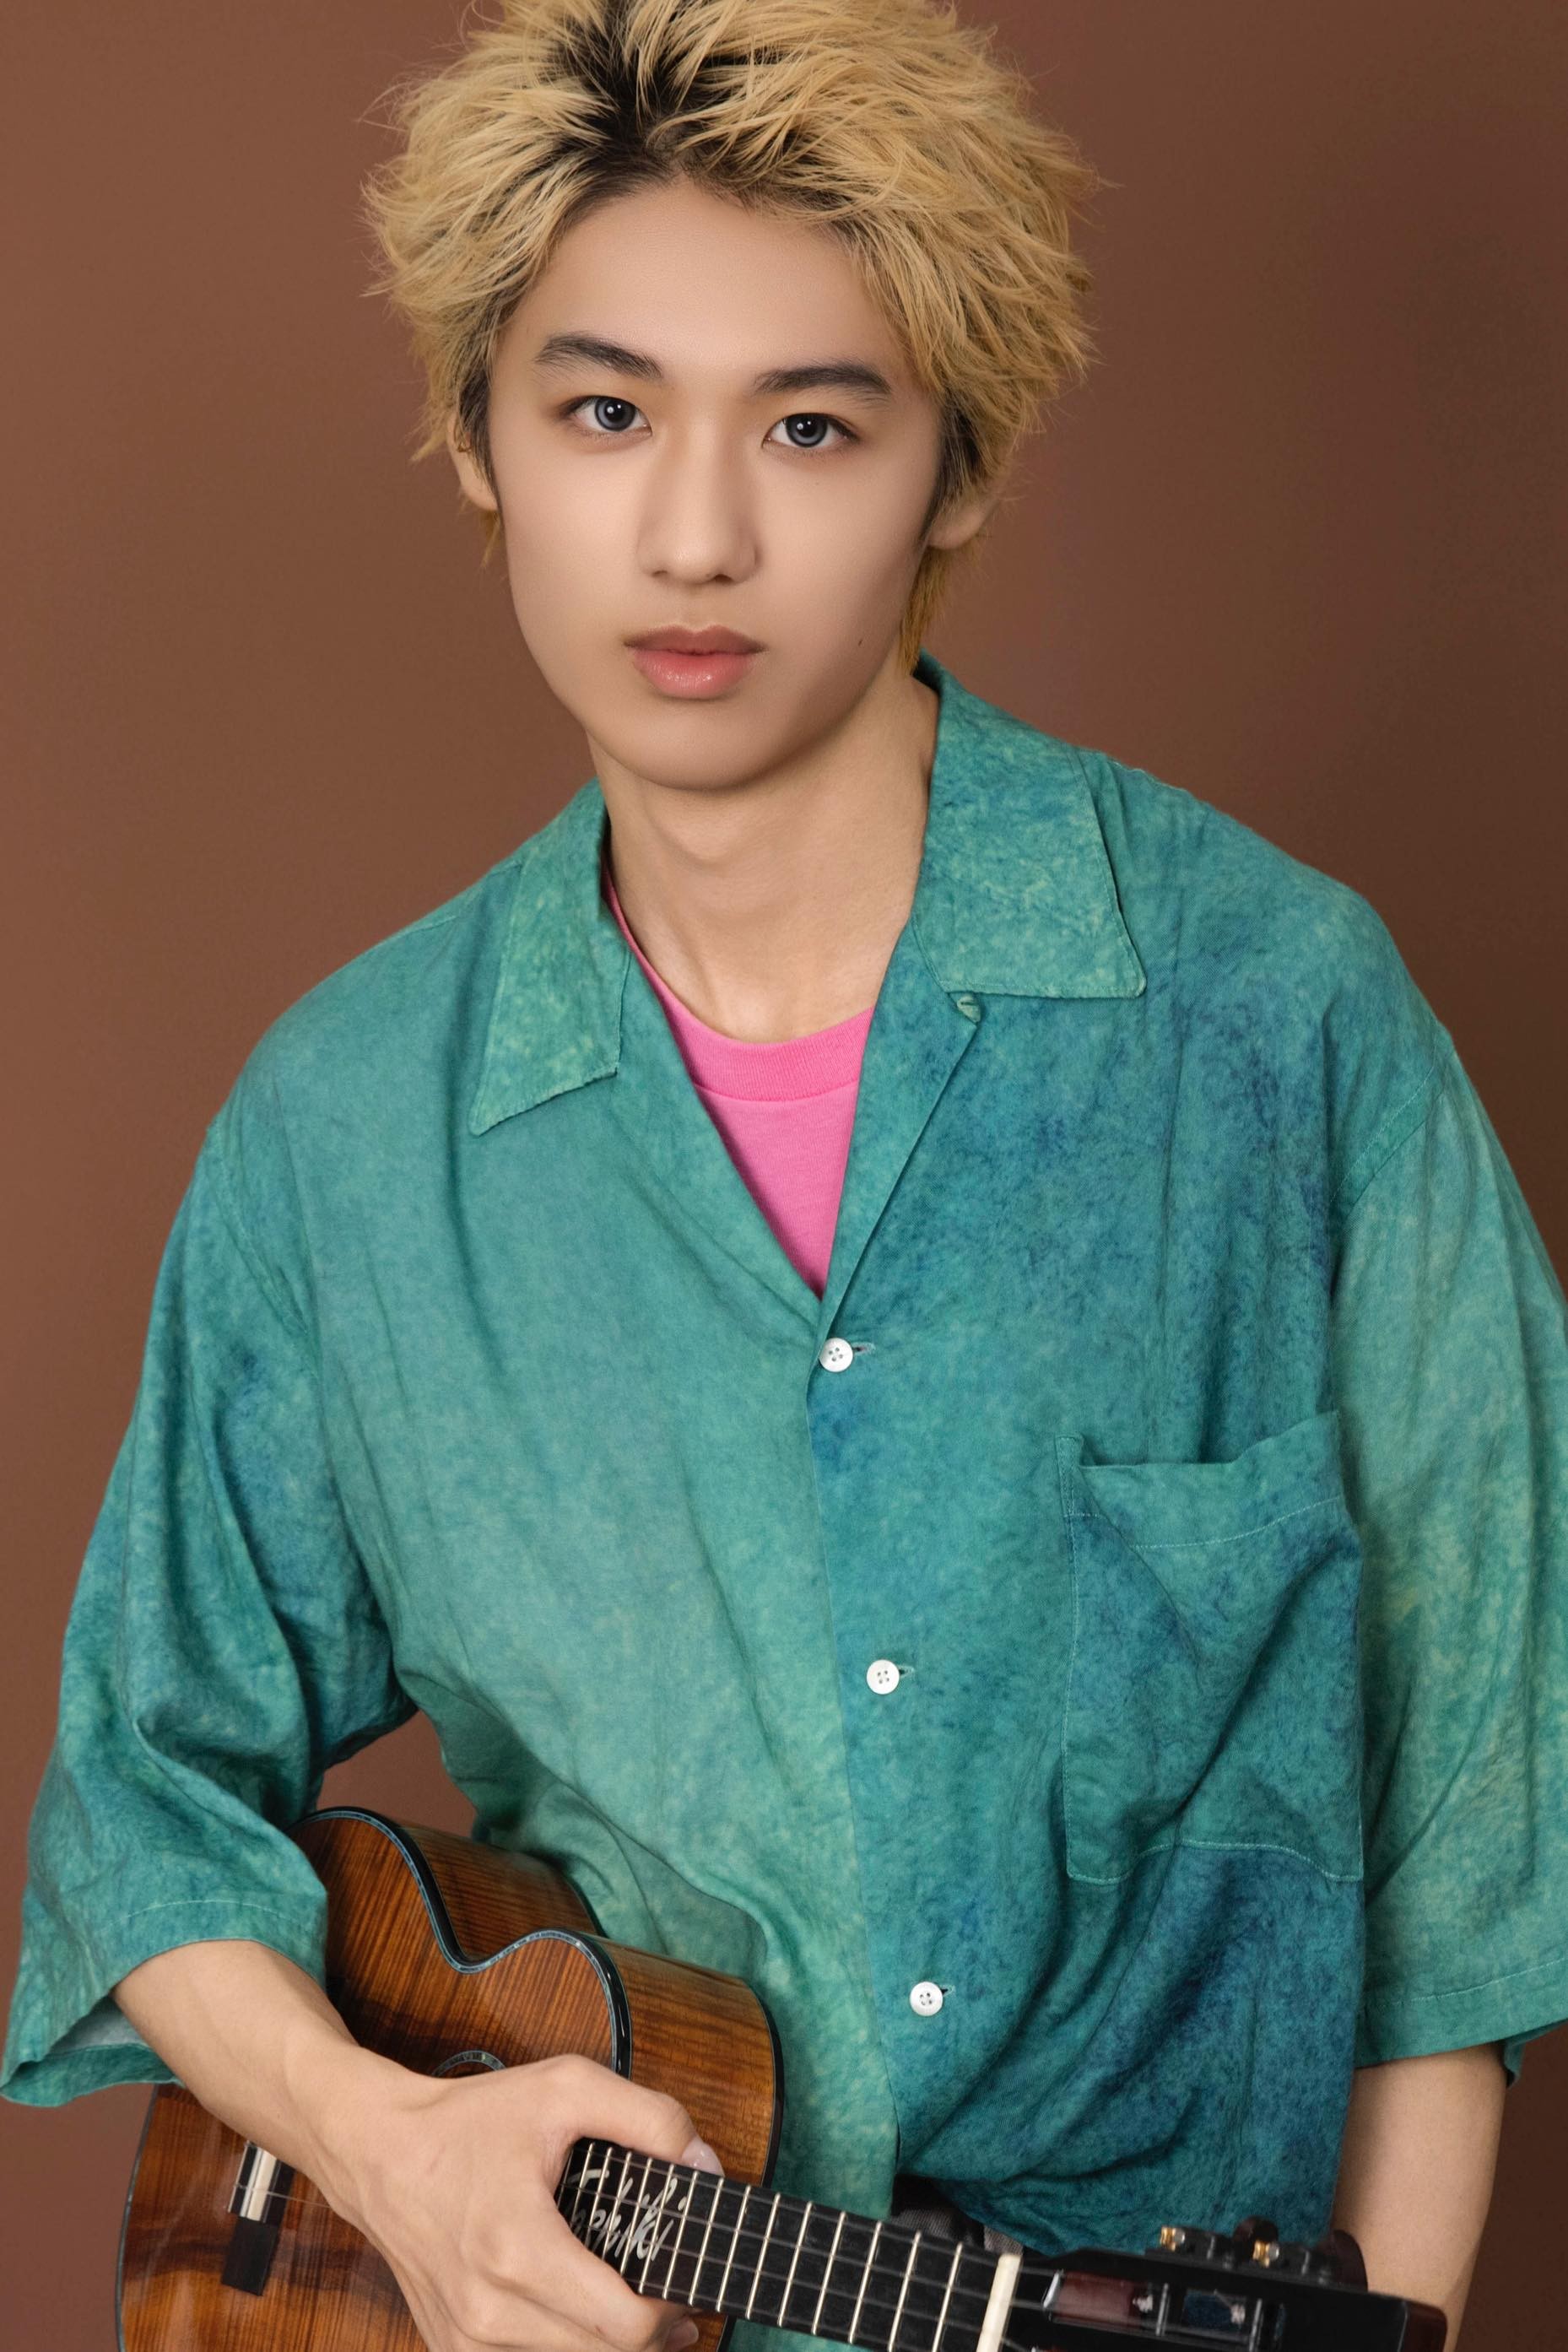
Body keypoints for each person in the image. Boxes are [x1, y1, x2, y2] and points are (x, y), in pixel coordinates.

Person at [5, 3, 1567, 2349]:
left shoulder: (1277, 1017)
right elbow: (142, 1792)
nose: (696, 535)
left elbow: (1474, 1837)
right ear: (481, 440)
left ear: (956, 472)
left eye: (812, 425)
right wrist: (393, 2148)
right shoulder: (343, 1133)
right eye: (604, 413)